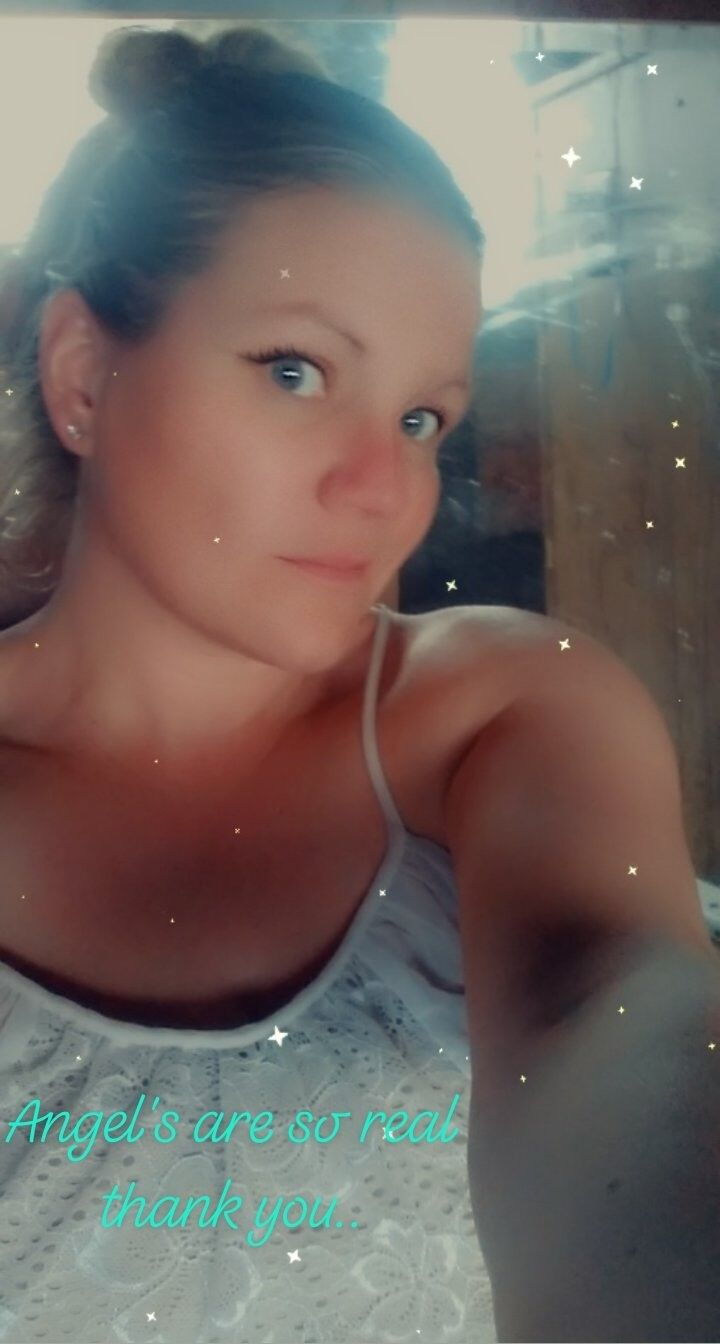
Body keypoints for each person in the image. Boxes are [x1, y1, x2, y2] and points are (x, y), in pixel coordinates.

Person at [0, 21, 500, 1344]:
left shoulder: (488, 714)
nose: (385, 490)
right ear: (85, 375)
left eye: (422, 419)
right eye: (296, 371)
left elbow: (625, 1020)